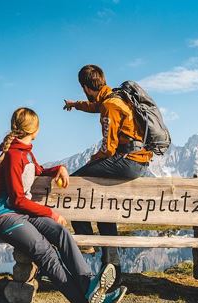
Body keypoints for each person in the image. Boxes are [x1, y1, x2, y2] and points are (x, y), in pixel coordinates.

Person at [0, 107, 126, 303]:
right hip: (6, 217)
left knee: (61, 233)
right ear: (35, 129)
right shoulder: (14, 156)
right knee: (46, 252)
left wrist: (58, 168)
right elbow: (16, 200)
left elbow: (38, 170)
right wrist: (50, 213)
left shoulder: (25, 152)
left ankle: (90, 284)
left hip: (21, 213)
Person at [63, 64, 152, 289]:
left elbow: (109, 148)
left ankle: (87, 241)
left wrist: (95, 158)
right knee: (104, 208)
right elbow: (95, 106)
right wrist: (75, 105)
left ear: (85, 86)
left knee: (73, 183)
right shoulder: (115, 97)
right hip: (137, 159)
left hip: (128, 162)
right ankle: (112, 271)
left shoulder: (110, 106)